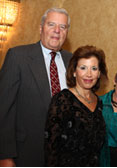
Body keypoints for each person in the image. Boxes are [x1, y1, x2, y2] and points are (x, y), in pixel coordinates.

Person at [0, 8, 72, 166]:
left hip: (64, 155)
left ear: (67, 32)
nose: (57, 31)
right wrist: (4, 156)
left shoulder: (72, 61)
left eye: (63, 27)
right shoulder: (18, 57)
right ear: (41, 28)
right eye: (51, 24)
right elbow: (3, 110)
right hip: (26, 154)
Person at [44, 45, 108, 166]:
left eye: (94, 68)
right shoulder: (62, 99)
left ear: (99, 73)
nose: (89, 74)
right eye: (83, 68)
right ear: (74, 72)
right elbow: (51, 148)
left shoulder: (99, 102)